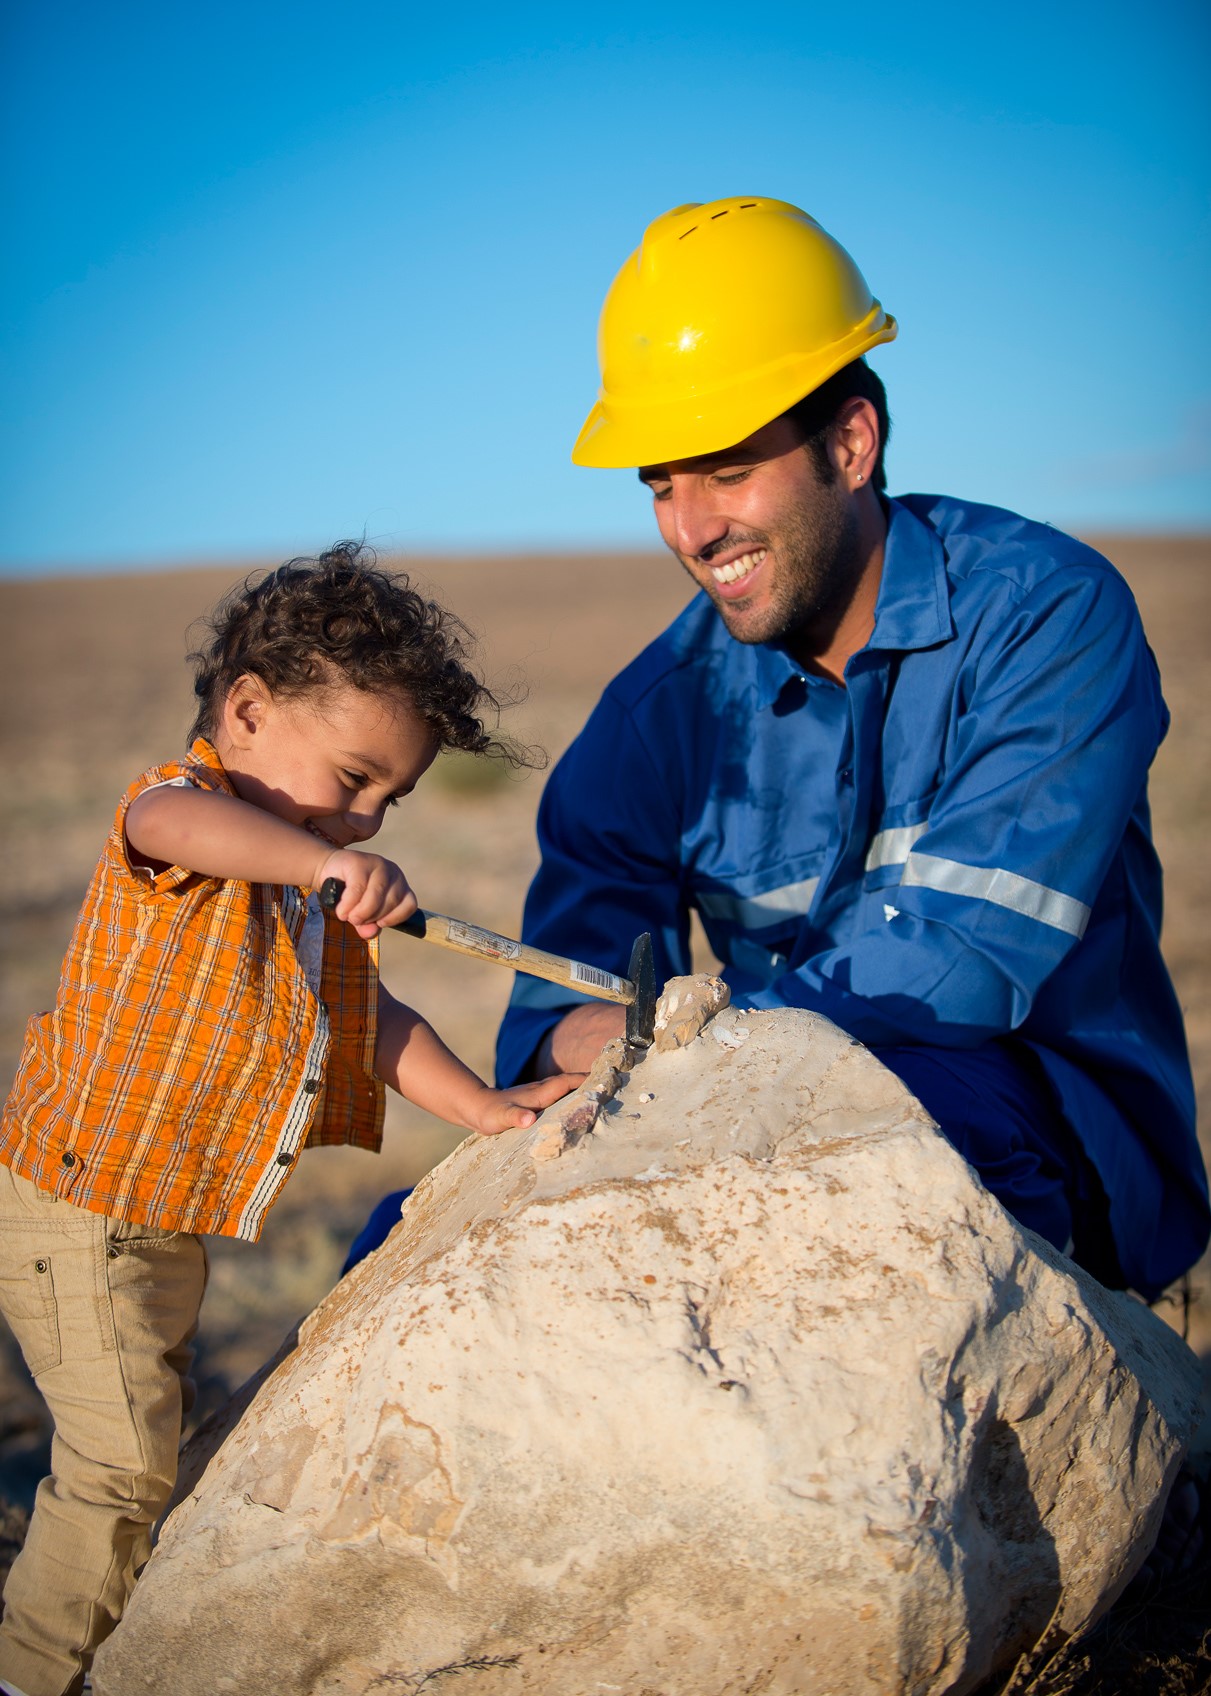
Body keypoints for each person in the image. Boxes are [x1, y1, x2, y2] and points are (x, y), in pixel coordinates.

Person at [495, 195, 1210, 1305]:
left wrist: (687, 1042)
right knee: (435, 1230)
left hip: (1028, 1122)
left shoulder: (1046, 618)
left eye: (724, 470)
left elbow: (952, 973)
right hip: (739, 1114)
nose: (689, 529)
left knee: (856, 1196)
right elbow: (552, 1015)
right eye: (660, 485)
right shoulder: (649, 722)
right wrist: (607, 1039)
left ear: (850, 441)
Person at [0, 543, 580, 1696]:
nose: (364, 821)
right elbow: (175, 824)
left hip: (149, 1224)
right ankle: (35, 1675)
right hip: (76, 1211)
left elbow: (371, 1022)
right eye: (353, 778)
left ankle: (123, 1625)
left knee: (152, 1435)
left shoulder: (306, 897)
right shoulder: (186, 816)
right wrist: (317, 861)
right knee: (115, 1467)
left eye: (388, 802)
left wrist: (483, 1107)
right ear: (248, 710)